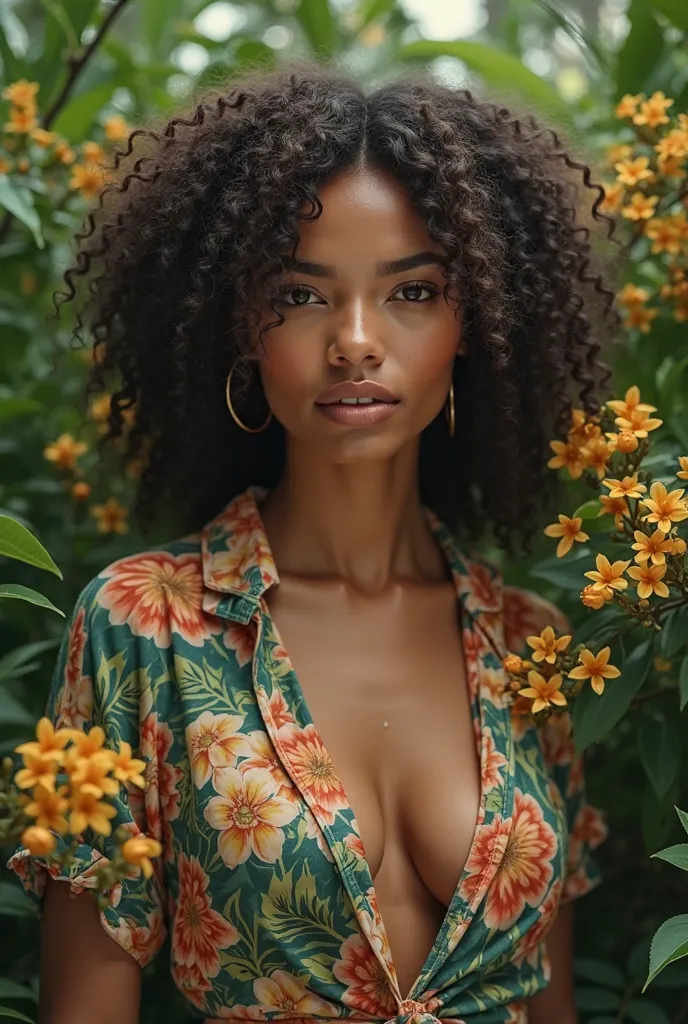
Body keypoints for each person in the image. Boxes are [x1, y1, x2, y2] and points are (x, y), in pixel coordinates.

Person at [10, 64, 613, 1024]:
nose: (357, 340)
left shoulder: (528, 646)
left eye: (414, 290)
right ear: (240, 328)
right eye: (300, 294)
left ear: (476, 323)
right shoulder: (143, 627)